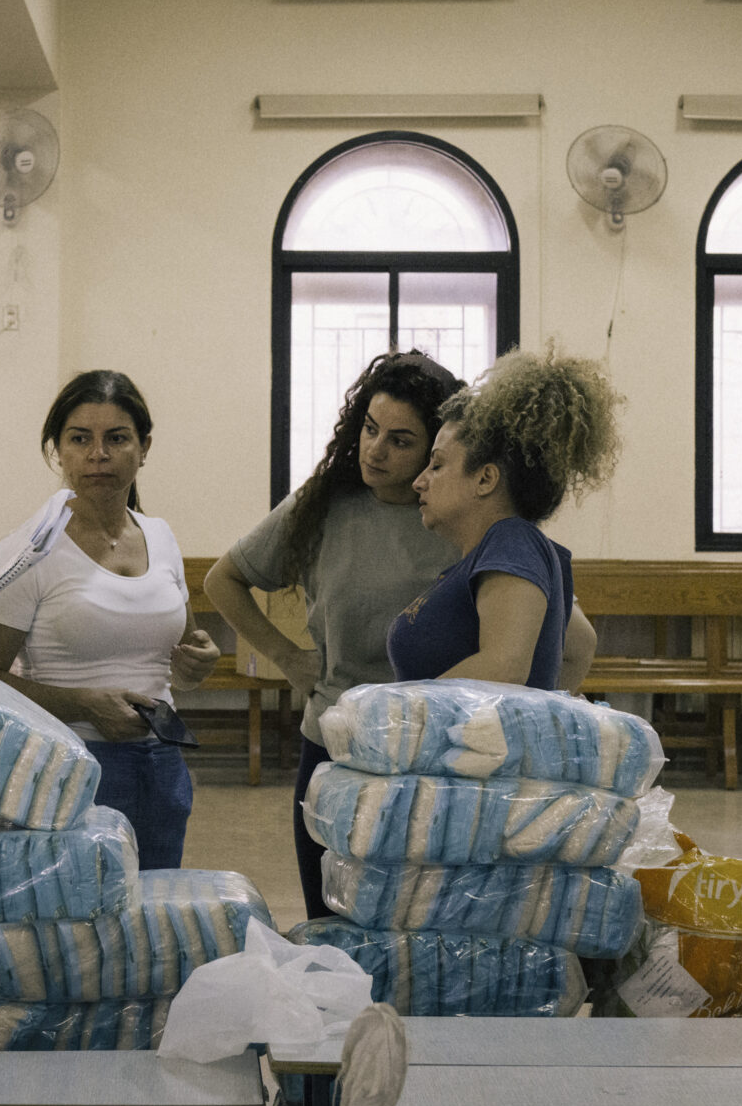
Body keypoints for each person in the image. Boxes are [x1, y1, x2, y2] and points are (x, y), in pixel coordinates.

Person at [206, 351, 465, 918]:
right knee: (331, 922)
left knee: (419, 931)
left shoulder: (461, 514)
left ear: (434, 449)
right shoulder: (325, 504)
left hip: (430, 756)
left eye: (401, 440)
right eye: (371, 429)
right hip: (335, 747)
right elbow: (223, 579)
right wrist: (286, 657)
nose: (376, 450)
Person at [0, 371, 221, 869]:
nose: (97, 454)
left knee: (152, 915)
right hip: (71, 765)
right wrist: (83, 703)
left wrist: (200, 661)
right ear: (58, 451)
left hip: (163, 765)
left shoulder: (160, 535)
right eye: (80, 439)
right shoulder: (33, 550)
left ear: (143, 447)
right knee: (82, 928)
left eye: (116, 438)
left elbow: (186, 643)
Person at [390, 346, 619, 692]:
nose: (419, 482)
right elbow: (580, 643)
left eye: (437, 465)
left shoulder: (513, 541)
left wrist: (396, 709)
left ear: (485, 479)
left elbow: (505, 667)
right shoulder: (496, 554)